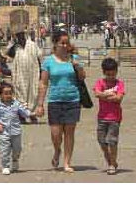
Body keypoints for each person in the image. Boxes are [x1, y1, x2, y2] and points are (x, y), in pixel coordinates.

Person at [36, 32, 85, 173]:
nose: (65, 46)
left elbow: (82, 77)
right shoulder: (48, 61)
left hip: (73, 100)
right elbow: (43, 83)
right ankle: (57, 150)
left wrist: (78, 66)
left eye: (67, 43)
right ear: (55, 44)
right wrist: (40, 104)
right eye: (62, 43)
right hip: (55, 101)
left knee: (69, 133)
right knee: (56, 134)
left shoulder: (74, 58)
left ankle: (67, 162)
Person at [0, 82, 33, 175]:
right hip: (4, 132)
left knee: (17, 149)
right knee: (4, 150)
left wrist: (33, 113)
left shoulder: (16, 104)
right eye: (5, 93)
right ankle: (5, 166)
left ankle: (15, 160)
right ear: (0, 94)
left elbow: (25, 112)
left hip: (16, 132)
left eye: (10, 93)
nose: (8, 95)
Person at [94, 57, 125, 175]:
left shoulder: (120, 83)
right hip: (102, 117)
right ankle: (110, 159)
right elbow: (97, 94)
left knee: (112, 141)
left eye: (113, 74)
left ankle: (112, 164)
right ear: (104, 72)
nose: (111, 77)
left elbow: (119, 97)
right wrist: (111, 94)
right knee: (101, 141)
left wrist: (106, 95)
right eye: (108, 74)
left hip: (115, 118)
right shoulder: (100, 82)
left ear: (116, 72)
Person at [7, 31, 41, 123]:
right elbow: (9, 54)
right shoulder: (16, 47)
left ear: (24, 35)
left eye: (21, 35)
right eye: (18, 36)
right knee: (20, 94)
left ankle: (32, 114)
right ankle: (22, 116)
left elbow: (39, 57)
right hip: (20, 75)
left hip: (32, 74)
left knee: (33, 94)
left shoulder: (33, 45)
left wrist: (41, 72)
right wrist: (13, 43)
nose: (20, 38)